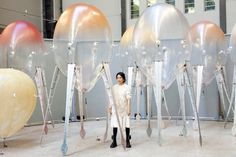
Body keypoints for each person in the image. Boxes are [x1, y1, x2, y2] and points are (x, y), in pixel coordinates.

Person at [108, 72, 132, 148]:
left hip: (124, 108)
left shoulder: (127, 87)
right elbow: (112, 98)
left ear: (123, 78)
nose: (118, 79)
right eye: (117, 77)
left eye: (120, 77)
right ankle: (114, 141)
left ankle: (127, 141)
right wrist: (110, 107)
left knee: (126, 125)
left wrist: (128, 109)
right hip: (116, 109)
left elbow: (128, 99)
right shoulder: (114, 87)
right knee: (115, 125)